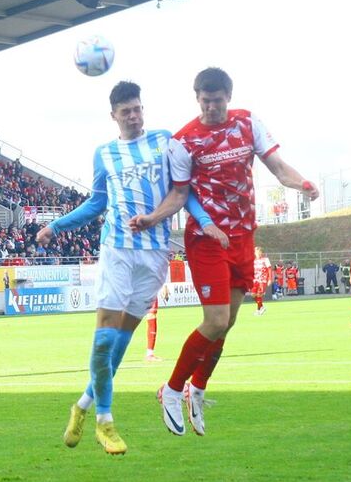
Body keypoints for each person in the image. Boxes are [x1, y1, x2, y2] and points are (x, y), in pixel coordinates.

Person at [36, 81, 226, 454]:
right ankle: (105, 421)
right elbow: (96, 204)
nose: (134, 116)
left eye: (138, 109)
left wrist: (205, 222)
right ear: (114, 116)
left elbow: (182, 192)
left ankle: (83, 405)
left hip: (154, 255)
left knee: (121, 343)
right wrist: (56, 225)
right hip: (118, 249)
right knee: (105, 336)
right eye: (126, 112)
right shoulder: (104, 154)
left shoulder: (164, 141)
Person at [130, 67, 318, 437]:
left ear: (228, 97)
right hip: (207, 239)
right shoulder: (184, 141)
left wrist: (303, 184)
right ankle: (170, 390)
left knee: (227, 323)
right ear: (197, 97)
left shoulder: (247, 123)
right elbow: (181, 195)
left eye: (217, 100)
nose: (211, 106)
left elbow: (278, 167)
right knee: (215, 321)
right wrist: (152, 218)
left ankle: (196, 389)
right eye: (205, 100)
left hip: (244, 237)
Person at [251, 247, 272, 315]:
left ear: (261, 252)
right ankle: (261, 307)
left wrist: (269, 279)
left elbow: (269, 269)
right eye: (256, 252)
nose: (257, 253)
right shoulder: (254, 261)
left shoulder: (265, 259)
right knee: (253, 295)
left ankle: (258, 310)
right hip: (255, 280)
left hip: (262, 280)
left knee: (259, 294)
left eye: (259, 252)